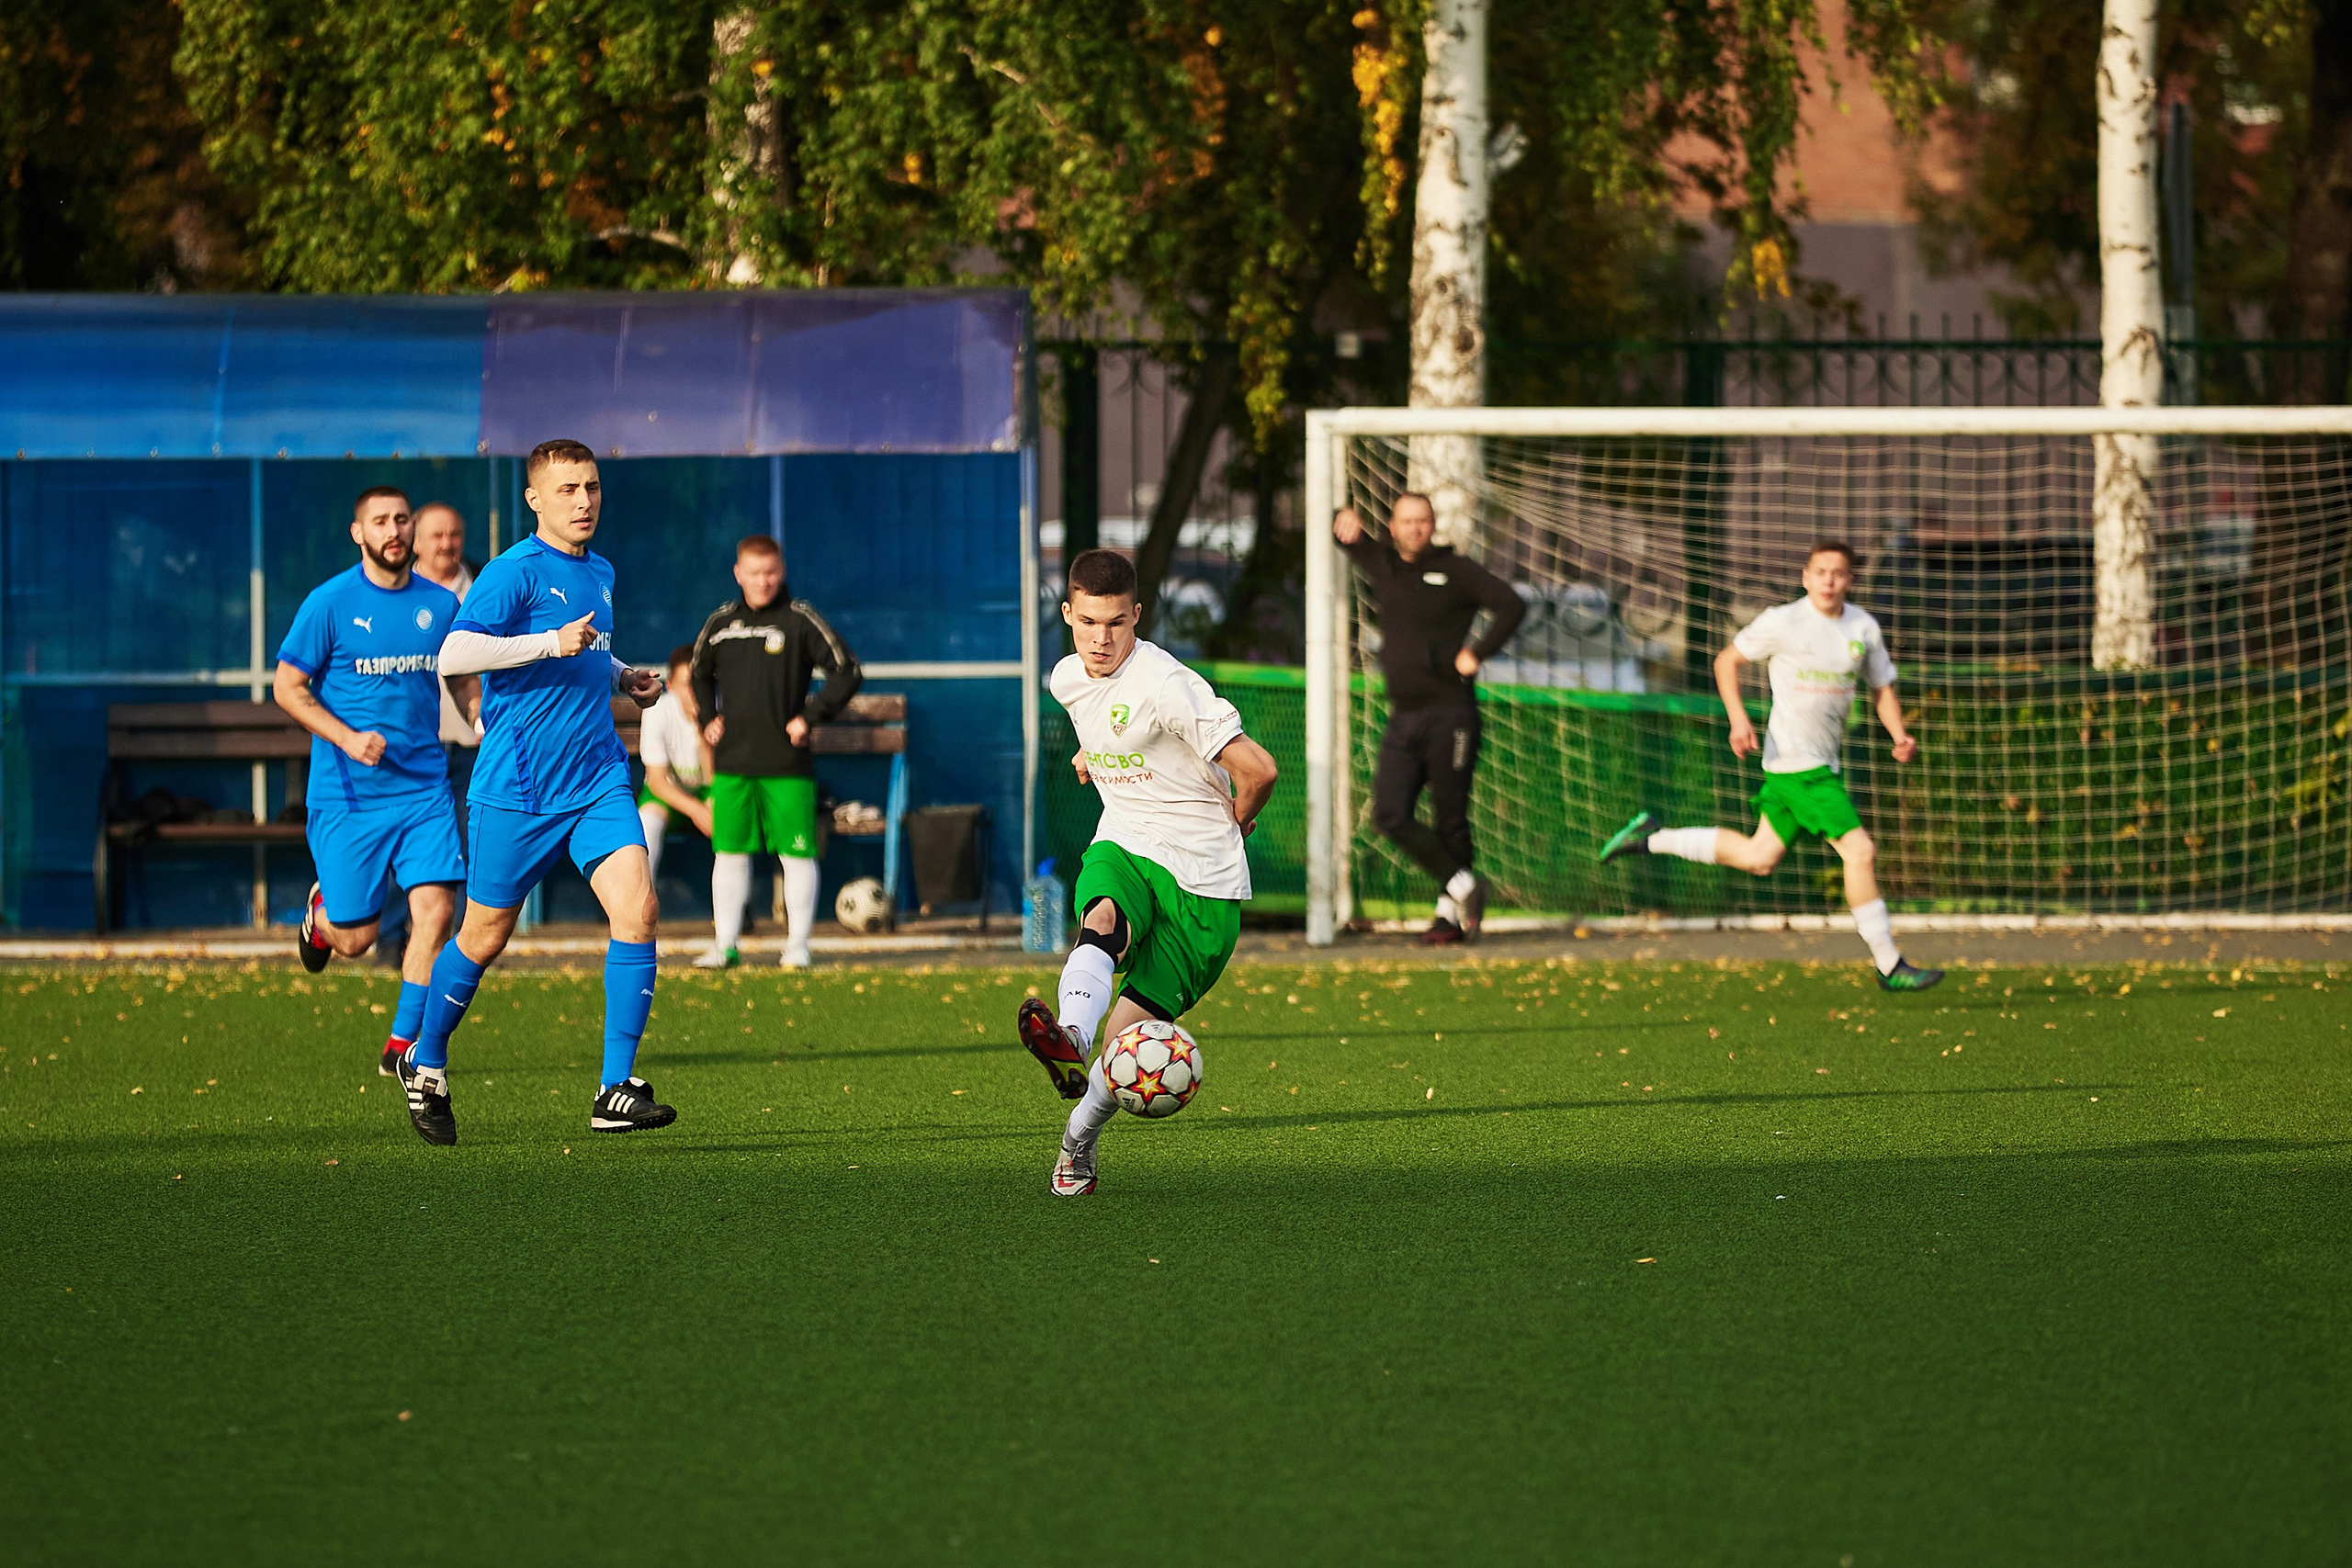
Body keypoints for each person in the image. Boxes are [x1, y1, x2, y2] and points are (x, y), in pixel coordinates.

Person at [402, 439, 673, 1146]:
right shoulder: (512, 571)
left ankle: (614, 1087)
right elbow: (455, 654)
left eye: (591, 487)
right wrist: (548, 643)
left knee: (639, 907)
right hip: (518, 787)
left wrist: (623, 678)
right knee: (484, 935)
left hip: (595, 777)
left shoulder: (602, 569)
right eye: (566, 490)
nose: (583, 501)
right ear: (534, 499)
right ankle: (425, 1061)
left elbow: (589, 645)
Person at [1014, 548, 1280, 1197]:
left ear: (1138, 615)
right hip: (1130, 841)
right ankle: (1067, 1035)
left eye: (1115, 624)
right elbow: (1104, 719)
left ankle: (1078, 1140)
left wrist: (1239, 821)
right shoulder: (1066, 677)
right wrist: (1090, 753)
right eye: (1087, 624)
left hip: (1202, 882)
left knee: (1123, 1041)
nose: (1100, 640)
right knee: (1100, 917)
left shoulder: (1167, 683)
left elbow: (1260, 769)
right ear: (1068, 614)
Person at [1598, 539, 1943, 991]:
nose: (1828, 581)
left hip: (1814, 766)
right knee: (1860, 852)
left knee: (1760, 857)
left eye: (1838, 573)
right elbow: (1727, 661)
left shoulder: (1863, 628)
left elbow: (1882, 690)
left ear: (1850, 581)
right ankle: (1889, 965)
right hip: (1800, 766)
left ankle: (1652, 838)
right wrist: (1739, 720)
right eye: (1820, 572)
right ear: (1806, 577)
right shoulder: (1784, 621)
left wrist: (1899, 735)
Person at [274, 485, 478, 1077]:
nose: (394, 530)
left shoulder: (440, 605)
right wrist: (345, 738)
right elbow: (288, 687)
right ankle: (324, 912)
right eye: (380, 522)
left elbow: (462, 679)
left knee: (437, 911)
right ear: (358, 533)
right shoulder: (329, 603)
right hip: (350, 796)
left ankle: (402, 1044)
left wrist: (480, 721)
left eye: (402, 520)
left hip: (424, 789)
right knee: (357, 940)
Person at [1332, 492, 1526, 944]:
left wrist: (1476, 653)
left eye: (1423, 520)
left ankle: (1448, 917)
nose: (1415, 528)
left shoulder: (1455, 569)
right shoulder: (1382, 562)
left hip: (1451, 715)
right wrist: (1336, 516)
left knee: (1450, 820)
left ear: (1432, 524)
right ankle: (1465, 887)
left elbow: (1512, 605)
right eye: (1407, 521)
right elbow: (1340, 530)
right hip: (1404, 717)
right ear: (1392, 527)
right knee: (1390, 814)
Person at [688, 535, 862, 969]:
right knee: (728, 853)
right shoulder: (722, 622)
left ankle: (797, 947)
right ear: (738, 574)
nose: (762, 582)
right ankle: (724, 945)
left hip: (788, 765)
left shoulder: (800, 619)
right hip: (732, 764)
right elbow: (697, 673)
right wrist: (708, 717)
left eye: (770, 573)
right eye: (754, 574)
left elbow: (847, 671)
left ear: (781, 572)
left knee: (797, 854)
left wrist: (811, 716)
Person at [373, 501, 481, 965]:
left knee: (468, 843)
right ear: (416, 541)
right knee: (404, 844)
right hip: (409, 748)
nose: (446, 544)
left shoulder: (483, 592)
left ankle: (463, 945)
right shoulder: (392, 593)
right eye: (436, 536)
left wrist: (484, 722)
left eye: (454, 535)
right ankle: (390, 938)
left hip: (470, 745)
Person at [637, 645, 714, 881]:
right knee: (647, 823)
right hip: (668, 796)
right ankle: (641, 906)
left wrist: (703, 730)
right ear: (670, 686)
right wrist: (696, 810)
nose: (694, 692)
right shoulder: (657, 710)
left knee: (730, 822)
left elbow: (715, 779)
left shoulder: (720, 706)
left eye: (700, 683)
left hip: (710, 793)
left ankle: (738, 910)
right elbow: (658, 782)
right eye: (686, 684)